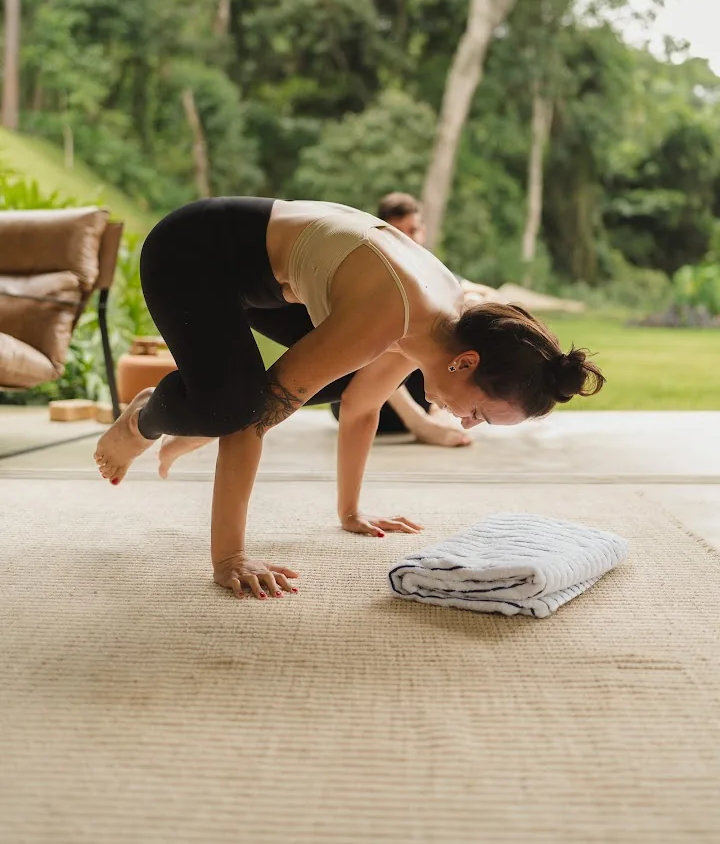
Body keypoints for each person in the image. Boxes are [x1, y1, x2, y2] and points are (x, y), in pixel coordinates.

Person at [94, 197, 604, 601]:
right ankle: (144, 420)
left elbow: (362, 405)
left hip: (265, 276)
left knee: (319, 383)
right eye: (478, 413)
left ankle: (197, 407)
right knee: (237, 406)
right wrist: (230, 560)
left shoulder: (440, 328)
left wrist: (351, 512)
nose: (466, 425)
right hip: (193, 249)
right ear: (466, 363)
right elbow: (253, 423)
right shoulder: (390, 318)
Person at [340, 192, 501, 445]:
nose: (409, 239)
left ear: (423, 232)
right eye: (398, 231)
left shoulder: (432, 271)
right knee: (397, 324)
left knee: (471, 306)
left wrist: (468, 296)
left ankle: (442, 405)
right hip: (364, 395)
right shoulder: (368, 274)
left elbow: (492, 297)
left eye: (413, 230)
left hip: (420, 394)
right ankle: (423, 424)